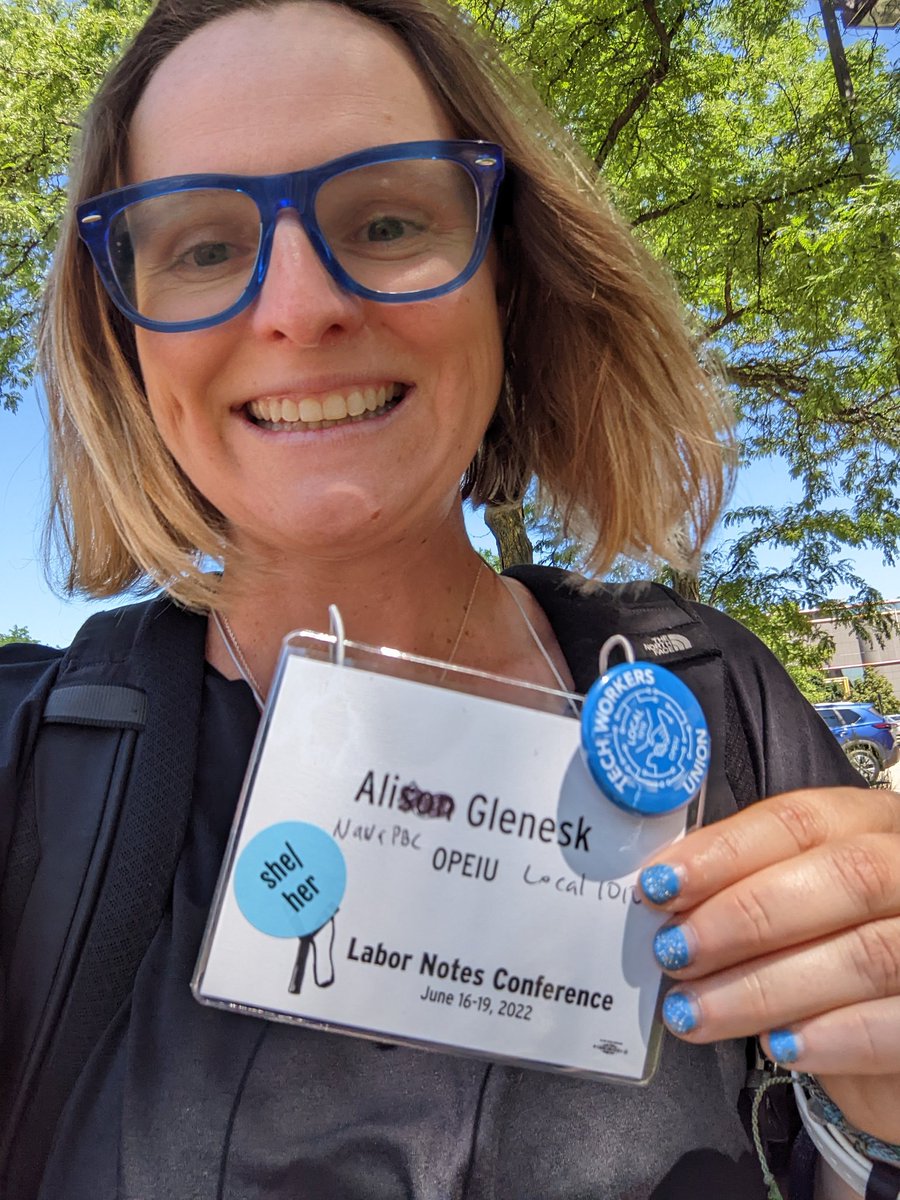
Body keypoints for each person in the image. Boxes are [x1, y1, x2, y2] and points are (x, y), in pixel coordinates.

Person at [1, 0, 898, 1196]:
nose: (298, 306)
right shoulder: (31, 772)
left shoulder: (718, 704)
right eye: (204, 246)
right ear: (125, 347)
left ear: (507, 283)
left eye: (385, 220)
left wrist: (878, 1124)